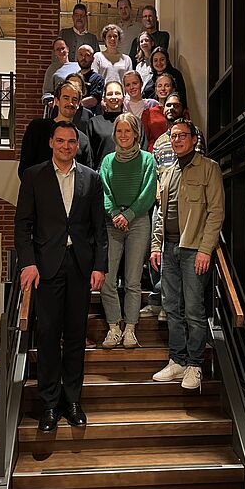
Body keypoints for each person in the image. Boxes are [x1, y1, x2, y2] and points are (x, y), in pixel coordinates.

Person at [15, 120, 108, 431]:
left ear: (77, 146)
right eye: (61, 141)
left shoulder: (92, 178)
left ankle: (72, 401)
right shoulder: (33, 176)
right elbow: (22, 225)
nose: (66, 146)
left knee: (76, 337)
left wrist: (99, 266)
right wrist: (28, 263)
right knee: (48, 336)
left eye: (71, 142)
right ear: (51, 143)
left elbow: (99, 228)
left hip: (80, 266)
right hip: (46, 267)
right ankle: (50, 405)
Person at [150, 119, 225, 390]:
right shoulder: (167, 172)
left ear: (194, 139)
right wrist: (155, 245)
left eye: (183, 135)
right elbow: (161, 214)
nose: (177, 140)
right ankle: (177, 360)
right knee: (172, 307)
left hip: (194, 249)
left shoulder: (209, 168)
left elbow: (216, 212)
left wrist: (206, 249)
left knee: (193, 308)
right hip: (168, 249)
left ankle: (195, 364)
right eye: (173, 136)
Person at [140, 93, 206, 320]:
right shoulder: (160, 141)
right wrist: (158, 188)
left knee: (182, 254)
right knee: (156, 250)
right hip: (163, 202)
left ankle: (173, 304)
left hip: (188, 203)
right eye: (168, 105)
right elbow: (155, 170)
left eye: (175, 105)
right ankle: (158, 299)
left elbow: (197, 165)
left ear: (183, 109)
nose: (171, 108)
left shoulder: (194, 134)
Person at [99, 113, 157, 349]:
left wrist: (129, 215)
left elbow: (148, 192)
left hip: (138, 222)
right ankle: (114, 327)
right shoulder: (107, 161)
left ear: (136, 134)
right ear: (115, 134)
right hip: (112, 223)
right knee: (107, 280)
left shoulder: (147, 159)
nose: (123, 135)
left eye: (128, 131)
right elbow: (103, 191)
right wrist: (115, 214)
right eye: (119, 131)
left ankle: (130, 329)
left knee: (133, 281)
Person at [18, 82, 93, 178]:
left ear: (78, 104)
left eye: (74, 99)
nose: (70, 103)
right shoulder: (37, 128)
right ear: (56, 101)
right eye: (66, 98)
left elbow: (86, 176)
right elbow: (25, 169)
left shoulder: (83, 139)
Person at [87, 80, 148, 170]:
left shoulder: (135, 121)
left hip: (132, 171)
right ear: (104, 98)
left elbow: (143, 150)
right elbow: (90, 156)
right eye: (110, 94)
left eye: (117, 93)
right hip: (103, 173)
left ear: (123, 97)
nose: (114, 97)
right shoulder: (94, 123)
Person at [123, 70, 167, 151]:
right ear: (125, 88)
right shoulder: (123, 106)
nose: (132, 87)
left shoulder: (153, 104)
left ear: (141, 84)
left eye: (135, 83)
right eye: (128, 85)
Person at [76, 44, 104, 113]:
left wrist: (75, 105)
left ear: (92, 59)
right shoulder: (73, 78)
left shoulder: (98, 78)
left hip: (89, 116)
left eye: (87, 55)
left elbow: (93, 101)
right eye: (81, 55)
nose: (83, 58)